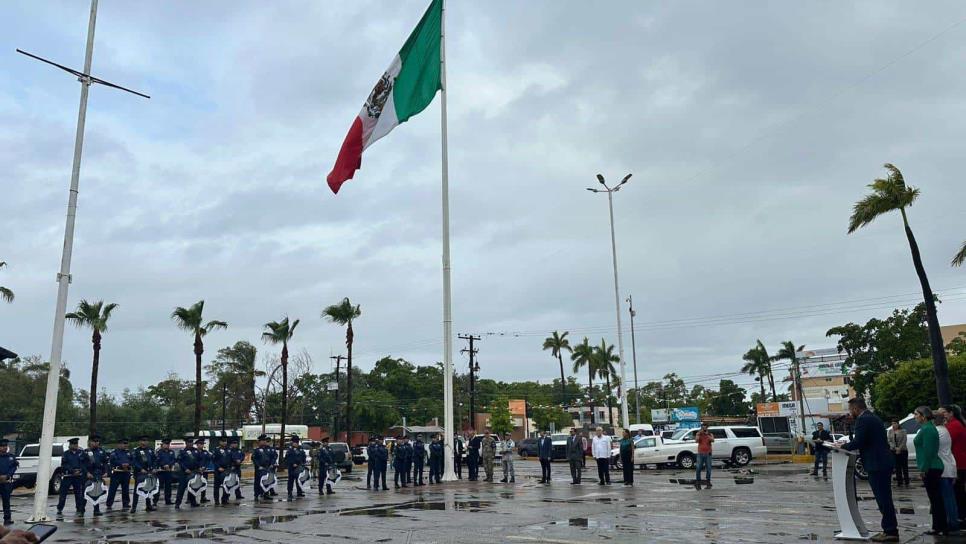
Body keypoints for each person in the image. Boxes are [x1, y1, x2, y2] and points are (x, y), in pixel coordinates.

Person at [841, 397, 898, 542]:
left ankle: (890, 531)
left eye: (850, 410)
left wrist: (842, 446)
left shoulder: (863, 420)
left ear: (855, 408)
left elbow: (859, 441)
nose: (850, 413)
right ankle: (890, 529)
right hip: (882, 462)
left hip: (876, 464)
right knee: (885, 497)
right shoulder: (872, 417)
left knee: (883, 498)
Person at [914, 406, 948, 535]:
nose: (915, 416)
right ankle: (939, 526)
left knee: (935, 498)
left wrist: (924, 468)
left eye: (916, 414)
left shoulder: (927, 429)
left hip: (931, 466)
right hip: (933, 466)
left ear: (923, 416)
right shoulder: (927, 428)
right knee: (935, 498)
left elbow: (929, 451)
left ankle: (939, 526)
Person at [940, 404, 966, 523]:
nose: (943, 415)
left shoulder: (954, 425)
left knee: (958, 491)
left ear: (951, 413)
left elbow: (945, 440)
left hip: (958, 461)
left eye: (944, 412)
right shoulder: (954, 424)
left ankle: (960, 515)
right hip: (958, 459)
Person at [936, 411, 960, 533]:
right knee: (950, 498)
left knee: (947, 498)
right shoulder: (944, 430)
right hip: (949, 465)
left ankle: (951, 523)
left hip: (944, 468)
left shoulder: (938, 431)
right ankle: (953, 522)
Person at [57, 437, 88, 516]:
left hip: (78, 476)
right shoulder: (66, 454)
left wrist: (80, 470)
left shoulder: (81, 453)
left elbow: (85, 463)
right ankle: (60, 508)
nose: (75, 445)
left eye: (76, 444)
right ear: (70, 445)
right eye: (74, 444)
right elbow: (64, 465)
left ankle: (79, 508)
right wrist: (72, 471)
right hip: (68, 476)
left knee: (79, 494)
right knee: (63, 494)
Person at [130, 435, 157, 513]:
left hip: (149, 472)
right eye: (142, 441)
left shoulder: (150, 450)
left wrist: (154, 468)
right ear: (139, 442)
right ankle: (134, 507)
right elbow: (134, 462)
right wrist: (140, 469)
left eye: (145, 441)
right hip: (140, 473)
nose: (144, 442)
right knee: (137, 490)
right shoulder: (136, 451)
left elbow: (155, 460)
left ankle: (148, 505)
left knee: (148, 489)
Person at [86, 435, 110, 517]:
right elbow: (82, 464)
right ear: (90, 442)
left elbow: (105, 462)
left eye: (97, 441)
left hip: (98, 474)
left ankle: (96, 510)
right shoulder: (86, 452)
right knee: (86, 492)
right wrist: (87, 473)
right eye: (94, 441)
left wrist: (106, 471)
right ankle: (81, 510)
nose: (96, 443)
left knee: (97, 492)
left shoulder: (101, 451)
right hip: (89, 475)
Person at [106, 438, 132, 510]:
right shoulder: (114, 453)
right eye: (124, 443)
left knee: (126, 489)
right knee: (113, 489)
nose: (125, 445)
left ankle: (126, 503)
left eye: (126, 444)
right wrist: (121, 464)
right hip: (117, 473)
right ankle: (109, 504)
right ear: (119, 444)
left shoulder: (128, 452)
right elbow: (112, 462)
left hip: (126, 473)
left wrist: (128, 465)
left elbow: (132, 460)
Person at [174, 438, 199, 509]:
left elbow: (199, 460)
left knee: (193, 488)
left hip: (193, 472)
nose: (190, 443)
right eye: (189, 442)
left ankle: (193, 502)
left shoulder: (196, 451)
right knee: (181, 488)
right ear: (186, 443)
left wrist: (199, 467)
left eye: (191, 442)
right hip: (184, 473)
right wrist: (185, 469)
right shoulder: (182, 451)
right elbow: (180, 462)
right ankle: (177, 503)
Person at [283, 435, 306, 501]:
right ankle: (290, 493)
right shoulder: (290, 450)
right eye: (295, 442)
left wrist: (302, 463)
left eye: (297, 442)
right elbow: (287, 459)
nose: (296, 444)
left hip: (299, 467)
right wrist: (293, 463)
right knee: (291, 480)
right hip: (292, 468)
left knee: (298, 480)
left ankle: (299, 492)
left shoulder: (301, 449)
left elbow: (303, 457)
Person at [0, 439, 17, 525]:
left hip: (6, 482)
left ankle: (7, 519)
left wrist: (7, 475)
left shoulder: (11, 457)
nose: (4, 448)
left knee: (6, 501)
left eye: (5, 446)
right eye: (2, 446)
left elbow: (14, 467)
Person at [887, 421, 909, 486]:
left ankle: (906, 480)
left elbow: (904, 440)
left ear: (898, 424)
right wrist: (895, 447)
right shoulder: (890, 431)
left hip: (903, 450)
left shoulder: (903, 431)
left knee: (904, 466)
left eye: (895, 423)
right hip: (894, 451)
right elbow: (889, 441)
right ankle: (899, 481)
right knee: (897, 466)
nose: (893, 425)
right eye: (892, 423)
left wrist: (899, 448)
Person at [155, 438, 176, 505]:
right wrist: (163, 465)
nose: (167, 445)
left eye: (168, 444)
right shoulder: (159, 452)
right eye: (165, 444)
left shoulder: (172, 452)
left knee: (168, 487)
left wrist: (169, 465)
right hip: (160, 472)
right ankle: (155, 501)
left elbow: (173, 460)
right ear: (162, 444)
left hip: (168, 472)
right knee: (158, 487)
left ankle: (168, 500)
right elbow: (157, 461)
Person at [211, 436, 231, 505]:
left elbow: (231, 460)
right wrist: (218, 467)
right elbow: (214, 460)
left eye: (225, 441)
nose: (224, 442)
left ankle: (224, 499)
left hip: (226, 470)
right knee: (216, 486)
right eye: (223, 441)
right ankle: (216, 500)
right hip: (218, 471)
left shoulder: (229, 450)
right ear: (220, 442)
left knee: (226, 485)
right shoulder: (216, 450)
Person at [252, 435, 273, 501]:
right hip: (259, 469)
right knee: (258, 482)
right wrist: (258, 466)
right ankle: (256, 495)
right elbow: (254, 459)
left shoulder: (268, 449)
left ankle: (266, 494)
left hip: (267, 468)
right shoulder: (256, 450)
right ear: (259, 442)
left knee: (267, 481)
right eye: (262, 441)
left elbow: (272, 457)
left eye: (264, 441)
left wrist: (272, 464)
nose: (264, 442)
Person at [694, 423, 714, 488]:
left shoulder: (710, 434)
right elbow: (696, 441)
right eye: (703, 427)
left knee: (709, 468)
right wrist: (699, 434)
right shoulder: (699, 434)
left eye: (705, 427)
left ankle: (708, 481)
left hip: (708, 453)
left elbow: (712, 440)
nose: (704, 428)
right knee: (698, 467)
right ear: (701, 428)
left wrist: (707, 434)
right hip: (700, 453)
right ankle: (698, 481)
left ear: (707, 428)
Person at [195, 439, 212, 504]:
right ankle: (190, 498)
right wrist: (198, 468)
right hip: (196, 470)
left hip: (204, 470)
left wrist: (205, 467)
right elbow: (193, 461)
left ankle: (203, 497)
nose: (202, 445)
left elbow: (208, 460)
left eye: (202, 444)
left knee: (204, 484)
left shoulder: (205, 452)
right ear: (197, 445)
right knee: (194, 484)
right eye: (200, 444)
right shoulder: (194, 452)